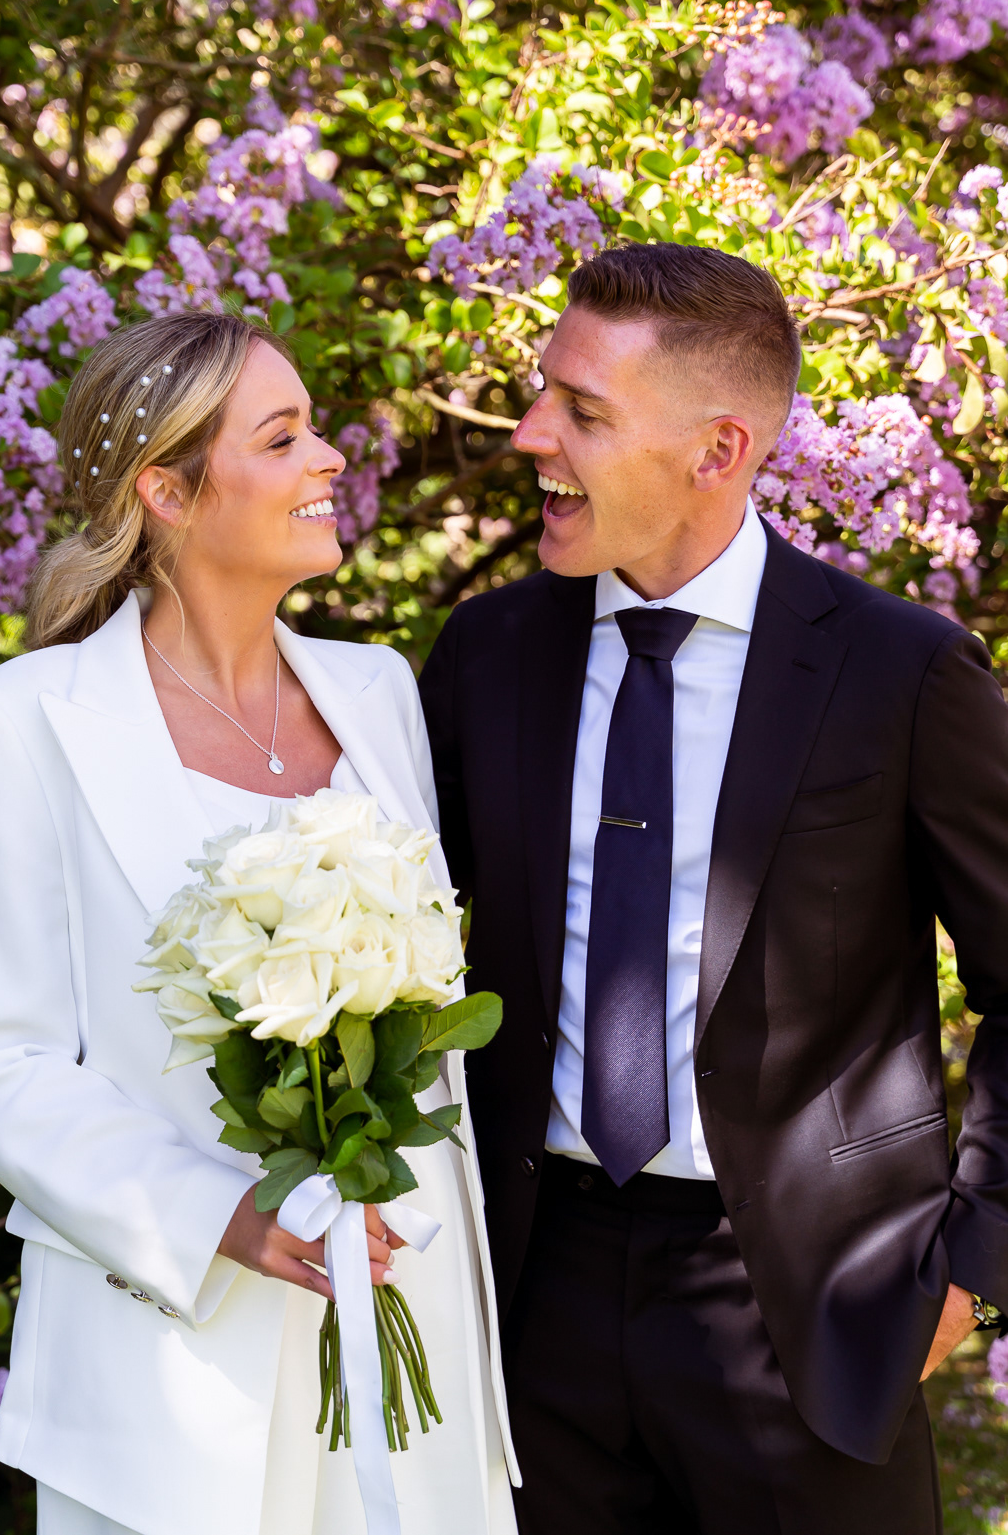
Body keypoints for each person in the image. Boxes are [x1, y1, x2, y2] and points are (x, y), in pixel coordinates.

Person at [418, 240, 1008, 1535]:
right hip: (535, 1291)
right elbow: (395, 949)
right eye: (543, 393)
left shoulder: (902, 672)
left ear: (718, 450)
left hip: (807, 1310)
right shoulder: (487, 652)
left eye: (581, 410)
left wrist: (972, 1259)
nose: (530, 436)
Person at [0, 312, 518, 1535]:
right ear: (168, 490)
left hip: (410, 1332)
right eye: (282, 436)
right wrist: (223, 1218)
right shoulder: (19, 721)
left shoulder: (377, 692)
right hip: (173, 1365)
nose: (329, 457)